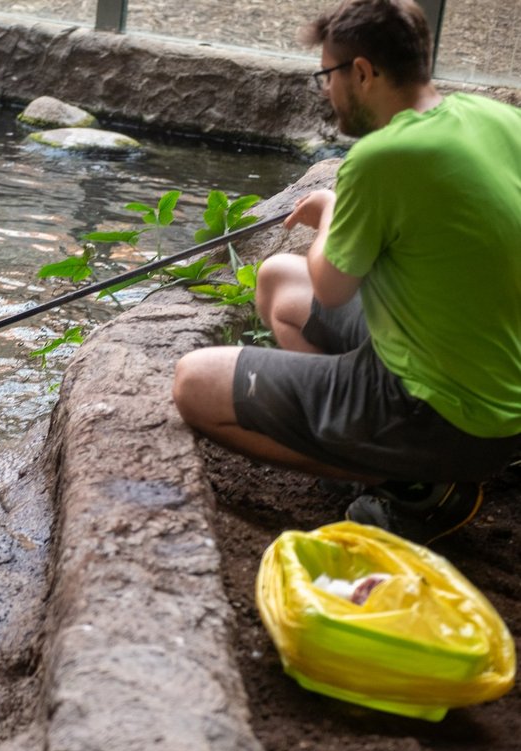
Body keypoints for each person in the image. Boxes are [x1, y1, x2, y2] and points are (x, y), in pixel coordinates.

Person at [172, 0, 520, 545]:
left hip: (445, 415)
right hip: (494, 387)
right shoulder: (496, 118)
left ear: (361, 72)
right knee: (277, 280)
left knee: (193, 382)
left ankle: (413, 483)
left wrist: (331, 210)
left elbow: (332, 290)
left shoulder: (383, 157)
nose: (326, 91)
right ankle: (362, 438)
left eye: (327, 75)